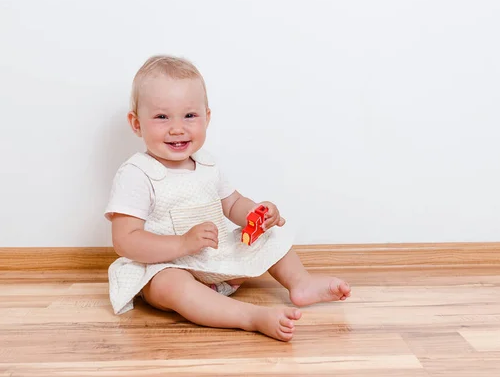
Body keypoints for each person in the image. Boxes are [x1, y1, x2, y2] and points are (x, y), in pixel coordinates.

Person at [104, 55, 351, 341]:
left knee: (269, 237)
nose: (177, 128)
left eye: (189, 115)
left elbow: (232, 203)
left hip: (212, 258)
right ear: (136, 124)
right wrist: (182, 244)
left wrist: (256, 214)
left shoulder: (207, 164)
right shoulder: (138, 173)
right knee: (171, 285)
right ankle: (249, 316)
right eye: (161, 117)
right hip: (165, 265)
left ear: (207, 117)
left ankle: (301, 282)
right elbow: (125, 240)